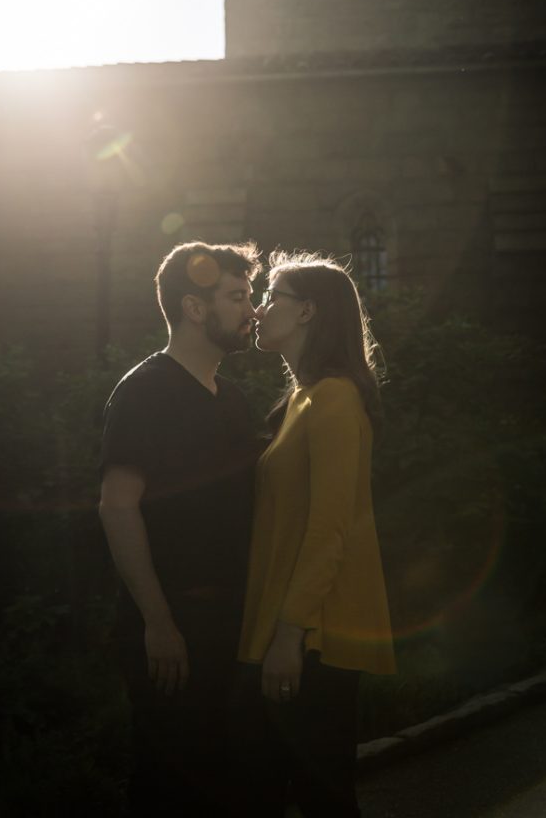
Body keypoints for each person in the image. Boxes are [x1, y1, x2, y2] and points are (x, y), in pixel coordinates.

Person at [98, 241, 261, 818]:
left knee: (232, 785)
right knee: (171, 788)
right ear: (195, 308)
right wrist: (159, 623)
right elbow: (118, 507)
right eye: (238, 297)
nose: (253, 310)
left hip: (232, 626)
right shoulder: (145, 390)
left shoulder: (234, 399)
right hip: (175, 630)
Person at [235, 250, 396, 818]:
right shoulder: (302, 400)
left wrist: (289, 634)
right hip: (292, 628)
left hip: (311, 638)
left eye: (270, 298)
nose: (256, 311)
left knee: (322, 799)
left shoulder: (334, 398)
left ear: (306, 312)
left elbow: (330, 528)